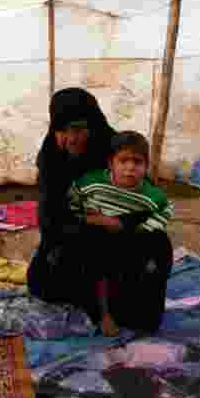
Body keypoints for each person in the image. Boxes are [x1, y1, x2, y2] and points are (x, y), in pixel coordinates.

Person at [27, 87, 171, 333]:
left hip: (126, 235)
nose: (70, 139)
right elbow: (51, 218)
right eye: (62, 130)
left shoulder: (118, 151)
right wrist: (89, 225)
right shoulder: (52, 158)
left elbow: (149, 202)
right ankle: (97, 300)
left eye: (78, 129)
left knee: (155, 257)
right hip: (80, 236)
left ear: (92, 126)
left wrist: (117, 224)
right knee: (42, 282)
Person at [68, 131, 174, 335]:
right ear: (111, 163)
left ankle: (136, 307)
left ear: (146, 166)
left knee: (159, 248)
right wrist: (85, 217)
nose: (130, 167)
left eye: (137, 161)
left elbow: (166, 210)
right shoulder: (93, 183)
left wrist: (143, 231)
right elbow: (72, 201)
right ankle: (103, 314)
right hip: (96, 242)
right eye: (123, 160)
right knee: (94, 258)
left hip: (130, 241)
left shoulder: (151, 196)